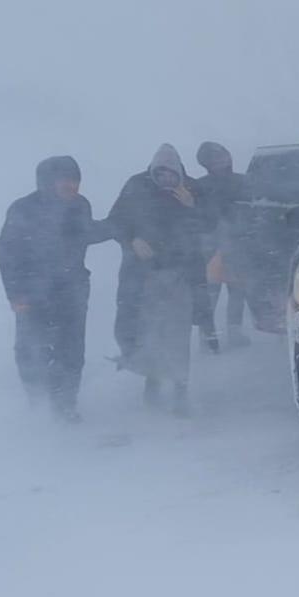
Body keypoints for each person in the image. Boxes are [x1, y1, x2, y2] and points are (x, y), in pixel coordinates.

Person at [0, 156, 113, 423]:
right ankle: (36, 401)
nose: (72, 185)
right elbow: (6, 251)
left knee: (71, 350)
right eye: (65, 180)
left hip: (72, 290)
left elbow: (85, 234)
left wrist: (117, 226)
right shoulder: (23, 209)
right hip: (31, 292)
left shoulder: (80, 205)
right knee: (30, 348)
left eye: (76, 180)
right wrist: (15, 294)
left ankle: (65, 405)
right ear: (48, 181)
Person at [112, 144, 207, 417]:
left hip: (181, 275)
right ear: (152, 172)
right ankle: (152, 383)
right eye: (160, 174)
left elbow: (211, 226)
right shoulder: (136, 186)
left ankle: (180, 390)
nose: (165, 180)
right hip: (146, 275)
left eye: (171, 175)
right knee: (151, 330)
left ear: (179, 173)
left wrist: (192, 207)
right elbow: (115, 222)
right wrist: (132, 240)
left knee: (178, 334)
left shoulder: (192, 189)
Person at [195, 141, 252, 349]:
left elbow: (253, 211)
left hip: (238, 245)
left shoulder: (244, 181)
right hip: (210, 248)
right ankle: (207, 336)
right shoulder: (199, 187)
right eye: (214, 158)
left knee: (237, 291)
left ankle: (234, 333)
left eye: (223, 155)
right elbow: (195, 217)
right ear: (206, 164)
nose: (221, 160)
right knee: (211, 293)